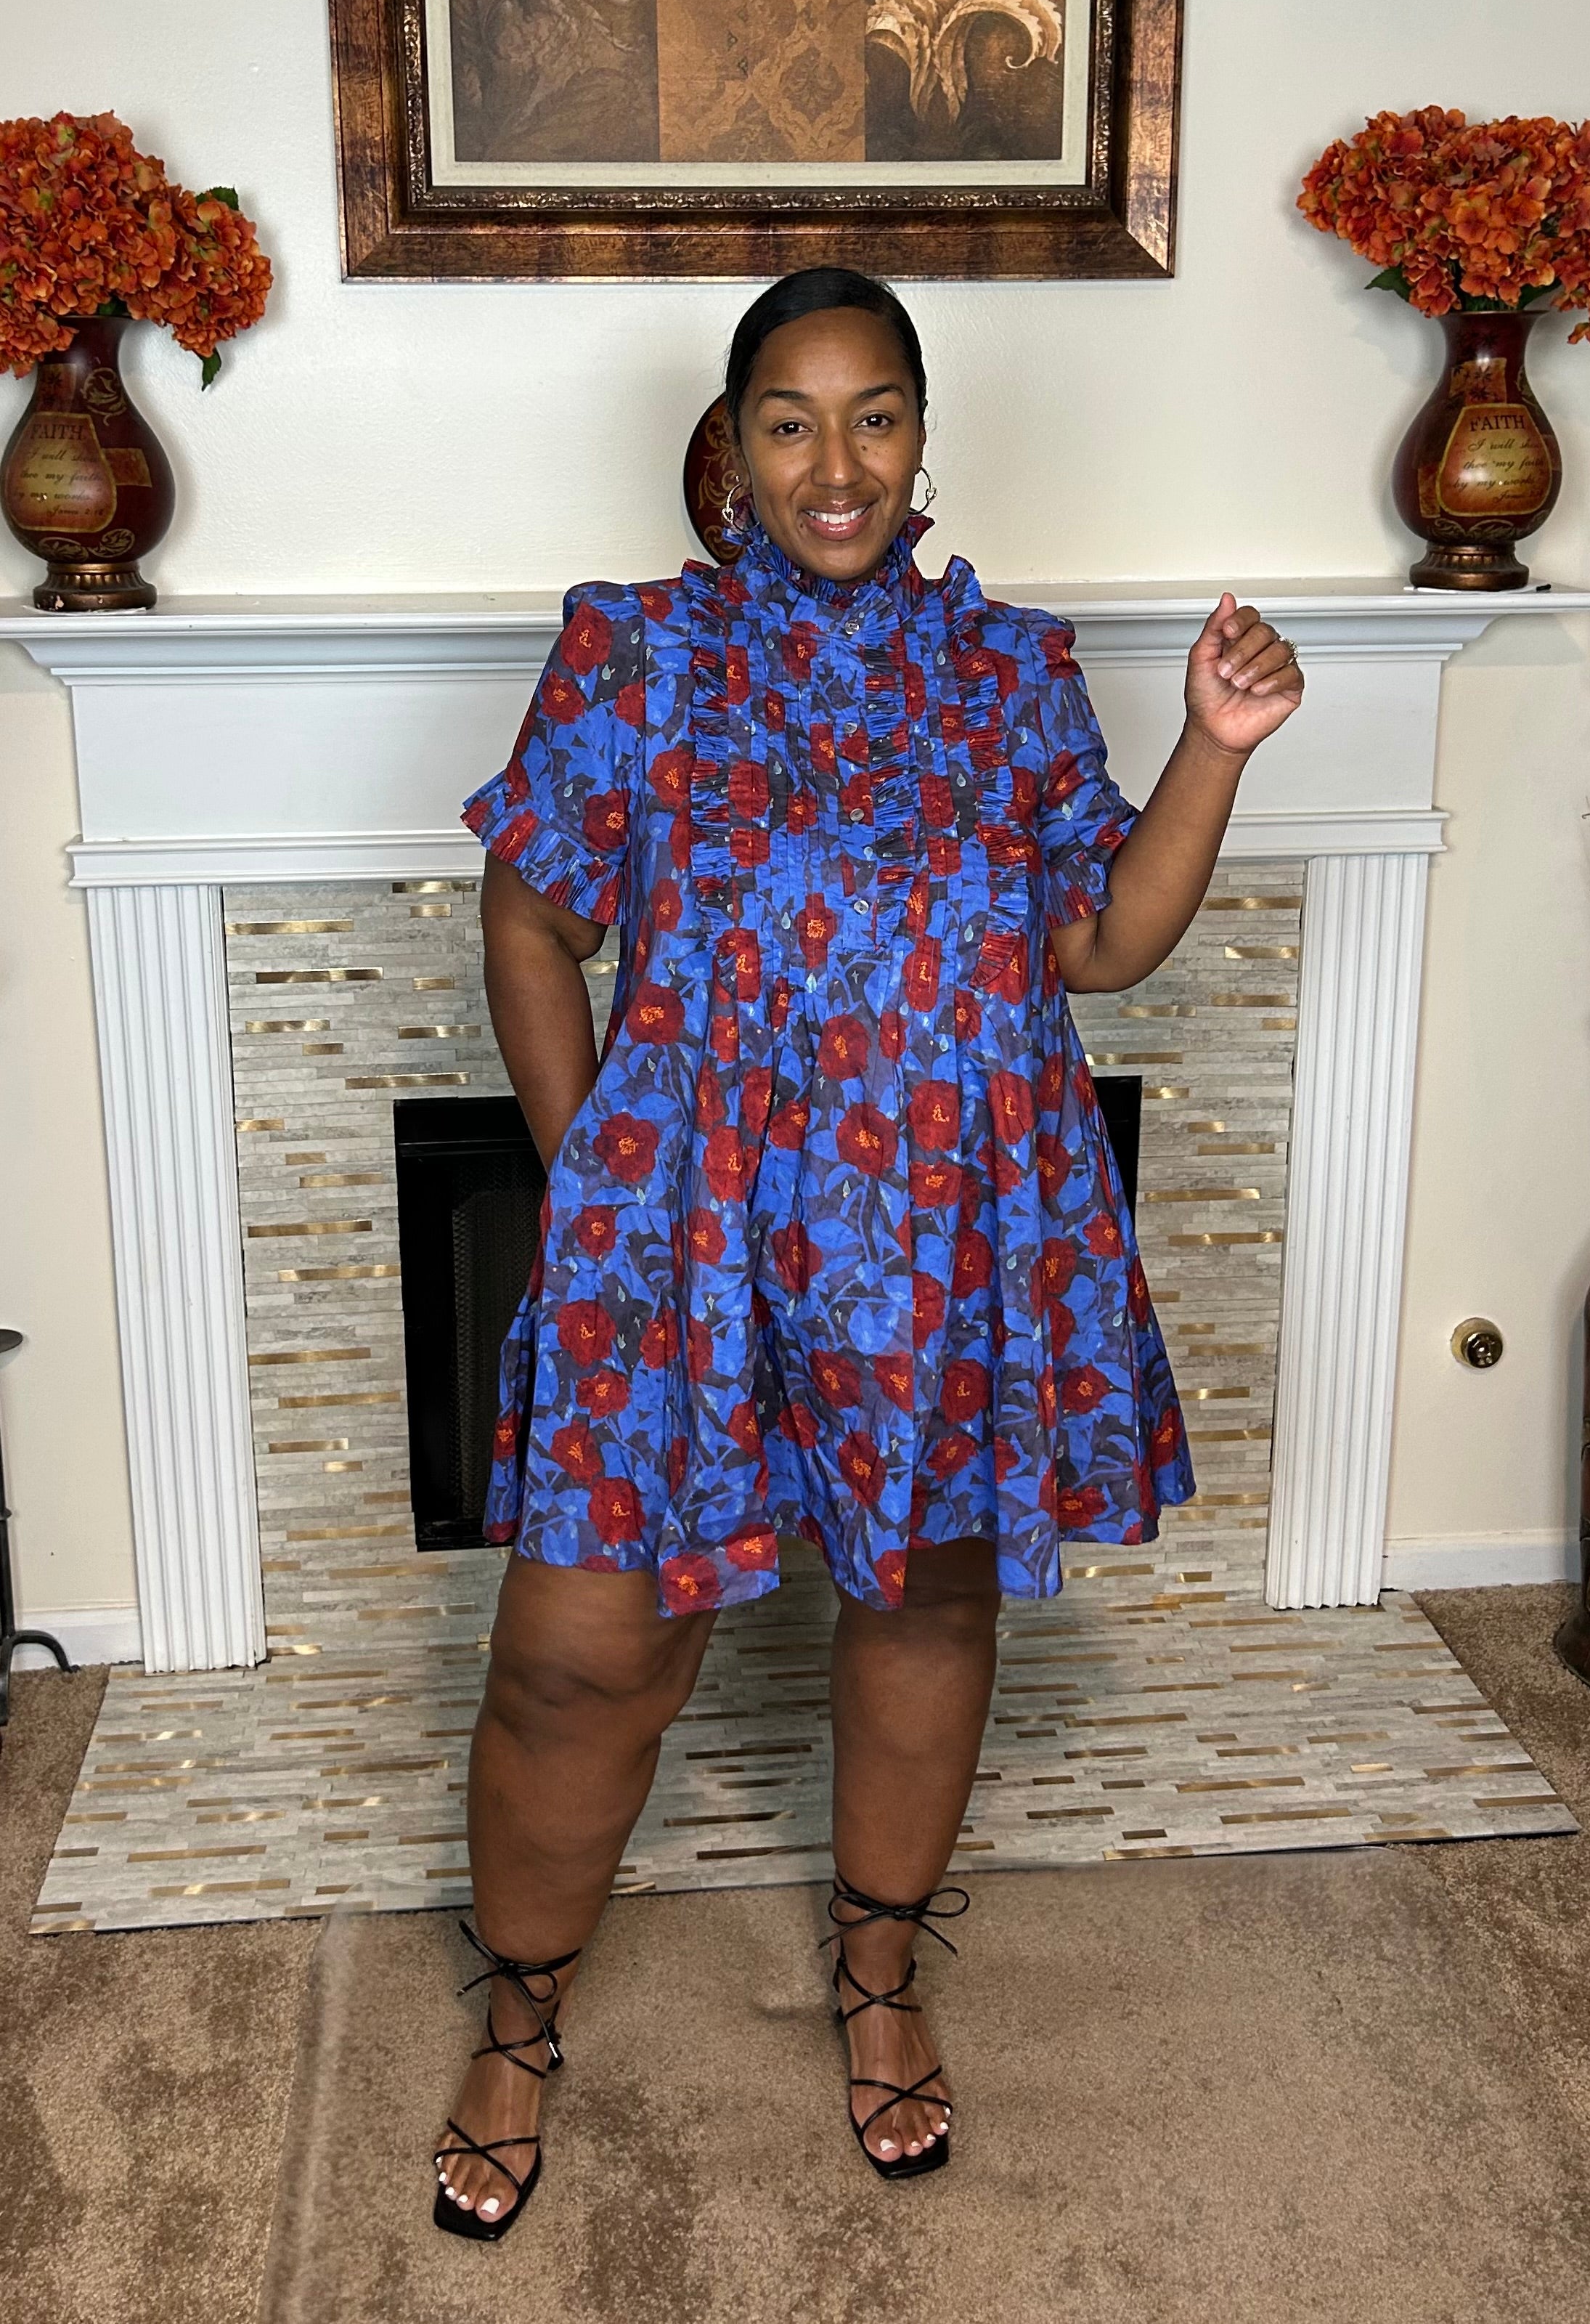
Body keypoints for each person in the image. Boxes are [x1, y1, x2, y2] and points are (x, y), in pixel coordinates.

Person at [433, 267, 1305, 2237]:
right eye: (790, 420)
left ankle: (883, 1974)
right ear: (732, 452)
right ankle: (521, 2016)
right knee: (576, 1656)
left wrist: (1217, 746)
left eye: (875, 416)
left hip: (944, 1235)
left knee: (920, 1611)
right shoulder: (636, 655)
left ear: (919, 442)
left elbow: (1100, 942)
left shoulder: (1010, 673)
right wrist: (594, 1186)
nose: (836, 462)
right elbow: (529, 916)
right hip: (685, 1238)